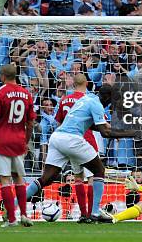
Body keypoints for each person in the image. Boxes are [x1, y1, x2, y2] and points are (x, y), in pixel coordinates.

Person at [25, 83, 135, 223]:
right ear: (107, 97)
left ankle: (15, 205)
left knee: (47, 178)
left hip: (57, 138)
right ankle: (95, 212)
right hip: (73, 140)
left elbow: (93, 125)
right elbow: (105, 132)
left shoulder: (86, 98)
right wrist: (131, 133)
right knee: (99, 170)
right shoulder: (97, 105)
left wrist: (117, 129)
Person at [0, 64, 35, 227]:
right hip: (19, 141)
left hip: (1, 142)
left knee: (5, 180)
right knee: (18, 178)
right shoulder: (26, 94)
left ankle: (12, 219)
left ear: (2, 76)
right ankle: (25, 215)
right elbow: (31, 123)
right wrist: (25, 142)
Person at [53, 74, 97, 223]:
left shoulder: (64, 100)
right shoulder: (89, 100)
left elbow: (59, 123)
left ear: (73, 84)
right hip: (87, 141)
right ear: (86, 83)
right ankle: (92, 213)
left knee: (78, 177)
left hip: (69, 143)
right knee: (92, 178)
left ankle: (83, 214)